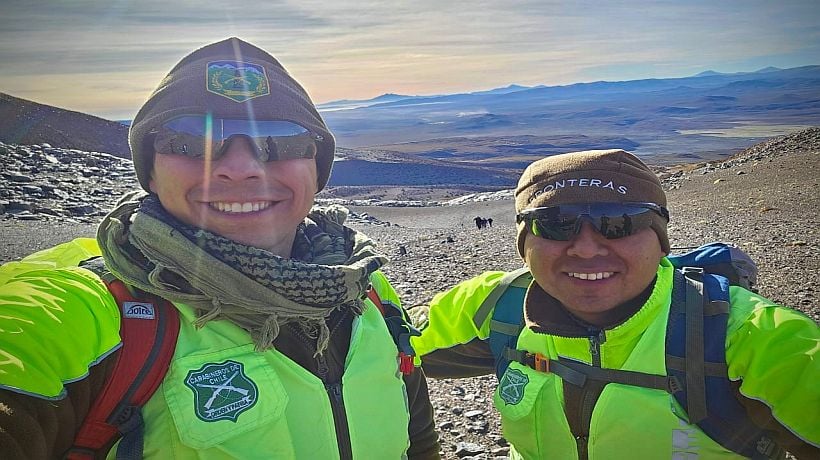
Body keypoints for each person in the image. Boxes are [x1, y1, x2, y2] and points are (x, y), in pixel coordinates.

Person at [0, 37, 439, 459]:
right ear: (150, 172)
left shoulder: (362, 286)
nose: (240, 169)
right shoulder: (91, 310)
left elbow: (415, 434)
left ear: (316, 169)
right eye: (192, 142)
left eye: (280, 140)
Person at [410, 149, 819, 459]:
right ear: (524, 244)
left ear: (660, 241)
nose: (586, 250)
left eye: (618, 223)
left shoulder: (753, 337)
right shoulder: (494, 304)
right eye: (556, 224)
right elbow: (385, 350)